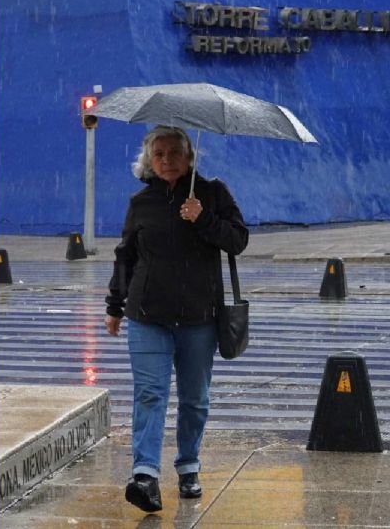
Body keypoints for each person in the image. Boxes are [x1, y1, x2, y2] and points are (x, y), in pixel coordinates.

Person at [104, 126, 248, 512]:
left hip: (199, 317)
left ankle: (188, 466)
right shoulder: (142, 202)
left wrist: (203, 219)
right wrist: (114, 305)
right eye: (159, 154)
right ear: (149, 161)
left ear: (189, 157)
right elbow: (126, 257)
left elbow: (238, 240)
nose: (167, 160)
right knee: (150, 394)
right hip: (147, 315)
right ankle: (145, 476)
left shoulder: (213, 193)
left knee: (194, 399)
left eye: (174, 153)